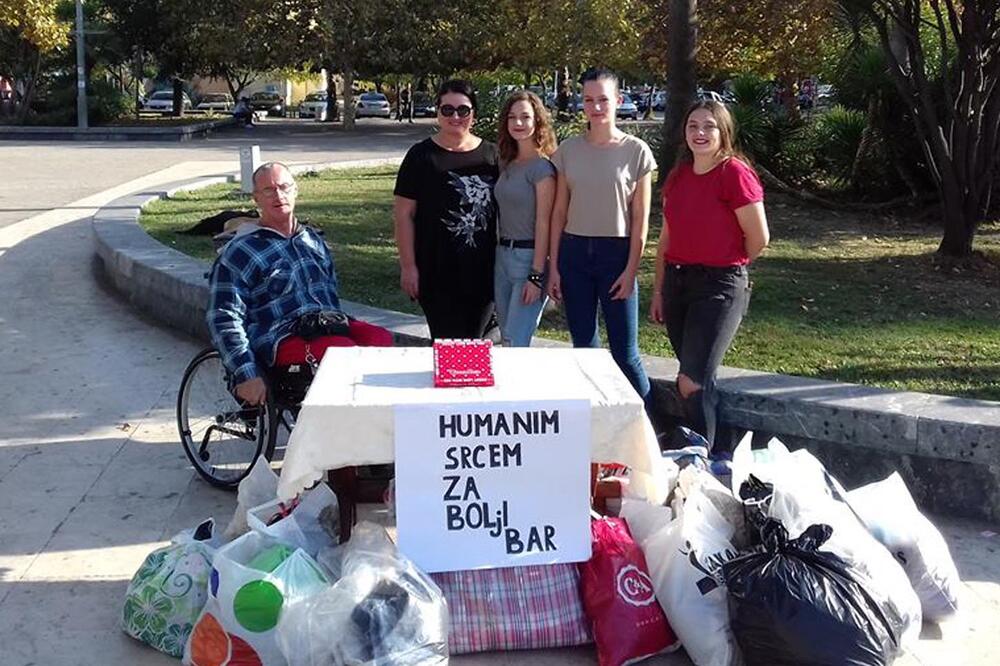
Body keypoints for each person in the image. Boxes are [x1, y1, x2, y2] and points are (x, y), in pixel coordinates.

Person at [207, 162, 392, 406]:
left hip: (324, 322)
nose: (278, 195)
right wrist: (244, 372)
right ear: (256, 198)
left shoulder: (312, 240)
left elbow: (331, 295)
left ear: (296, 191)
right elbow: (223, 315)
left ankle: (372, 416)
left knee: (381, 340)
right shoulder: (241, 251)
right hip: (278, 334)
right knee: (342, 352)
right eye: (269, 190)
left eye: (284, 187)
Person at [650, 100, 770, 452]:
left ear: (724, 132)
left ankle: (700, 458)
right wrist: (658, 290)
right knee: (699, 379)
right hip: (677, 284)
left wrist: (724, 261)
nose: (700, 133)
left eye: (709, 126)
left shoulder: (733, 173)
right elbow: (666, 242)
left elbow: (759, 239)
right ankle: (718, 454)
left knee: (690, 380)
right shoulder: (679, 176)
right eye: (693, 126)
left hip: (719, 286)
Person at [548, 67, 656, 405]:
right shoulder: (568, 151)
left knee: (625, 354)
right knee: (585, 349)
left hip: (617, 256)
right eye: (589, 100)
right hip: (574, 254)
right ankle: (595, 425)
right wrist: (553, 267)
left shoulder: (636, 151)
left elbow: (641, 218)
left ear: (618, 101)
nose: (596, 107)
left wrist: (630, 270)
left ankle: (646, 429)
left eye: (603, 100)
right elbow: (559, 213)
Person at [393, 79, 500, 339]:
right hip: (435, 271)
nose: (455, 116)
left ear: (473, 114)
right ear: (438, 112)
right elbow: (403, 215)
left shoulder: (493, 156)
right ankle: (447, 380)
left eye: (463, 110)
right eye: (447, 110)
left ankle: (468, 381)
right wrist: (408, 266)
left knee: (474, 342)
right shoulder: (420, 157)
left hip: (483, 271)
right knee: (445, 343)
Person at [492, 90, 557, 347]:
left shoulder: (542, 168)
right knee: (506, 338)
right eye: (512, 117)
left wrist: (536, 275)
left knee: (516, 341)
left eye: (525, 117)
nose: (518, 123)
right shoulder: (507, 162)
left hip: (529, 260)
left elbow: (544, 223)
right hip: (502, 257)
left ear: (537, 121)